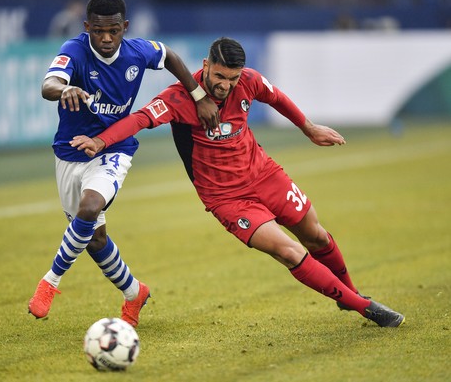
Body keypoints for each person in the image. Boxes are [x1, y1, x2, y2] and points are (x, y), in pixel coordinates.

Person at [70, 37, 405, 327]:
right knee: (289, 251)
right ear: (205, 65)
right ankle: (366, 308)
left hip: (264, 174)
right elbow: (139, 120)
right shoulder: (178, 98)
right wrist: (101, 142)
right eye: (218, 76)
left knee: (316, 235)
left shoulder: (249, 81)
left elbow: (277, 98)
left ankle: (349, 295)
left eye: (231, 79)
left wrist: (308, 127)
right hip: (226, 199)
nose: (225, 85)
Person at [28, 0, 219, 327]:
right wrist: (65, 89)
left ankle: (50, 282)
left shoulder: (137, 52)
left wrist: (198, 95)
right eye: (98, 31)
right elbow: (49, 84)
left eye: (113, 31)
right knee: (93, 238)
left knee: (89, 209)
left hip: (114, 149)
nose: (106, 38)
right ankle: (134, 293)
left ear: (124, 27)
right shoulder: (74, 50)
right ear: (87, 27)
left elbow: (170, 56)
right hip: (70, 152)